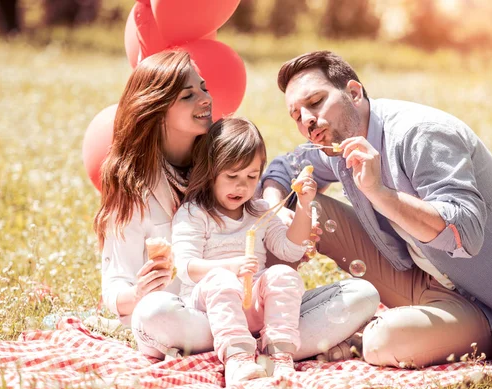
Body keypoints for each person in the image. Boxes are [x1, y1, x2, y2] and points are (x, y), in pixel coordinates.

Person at [261, 50, 492, 368]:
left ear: (354, 93)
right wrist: (277, 208)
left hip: (485, 306)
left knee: (383, 342)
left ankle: (367, 334)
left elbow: (465, 230)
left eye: (315, 102)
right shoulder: (338, 142)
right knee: (303, 207)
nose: (307, 120)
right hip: (419, 278)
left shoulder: (420, 134)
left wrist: (380, 193)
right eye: (297, 116)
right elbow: (285, 167)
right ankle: (253, 319)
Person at [94, 50, 379, 362]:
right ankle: (280, 346)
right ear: (156, 107)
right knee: (152, 312)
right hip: (192, 316)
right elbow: (113, 291)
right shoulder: (133, 191)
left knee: (361, 295)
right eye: (189, 95)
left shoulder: (222, 158)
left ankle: (263, 344)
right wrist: (137, 294)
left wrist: (286, 224)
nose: (206, 99)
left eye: (203, 88)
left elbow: (260, 239)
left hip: (253, 309)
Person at [171, 117, 315, 383]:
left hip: (252, 306)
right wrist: (231, 267)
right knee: (221, 279)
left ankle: (279, 356)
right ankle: (237, 359)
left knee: (282, 273)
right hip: (207, 307)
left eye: (251, 176)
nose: (241, 186)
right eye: (232, 176)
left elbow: (291, 250)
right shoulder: (194, 214)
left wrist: (304, 207)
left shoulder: (259, 211)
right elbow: (185, 268)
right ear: (210, 171)